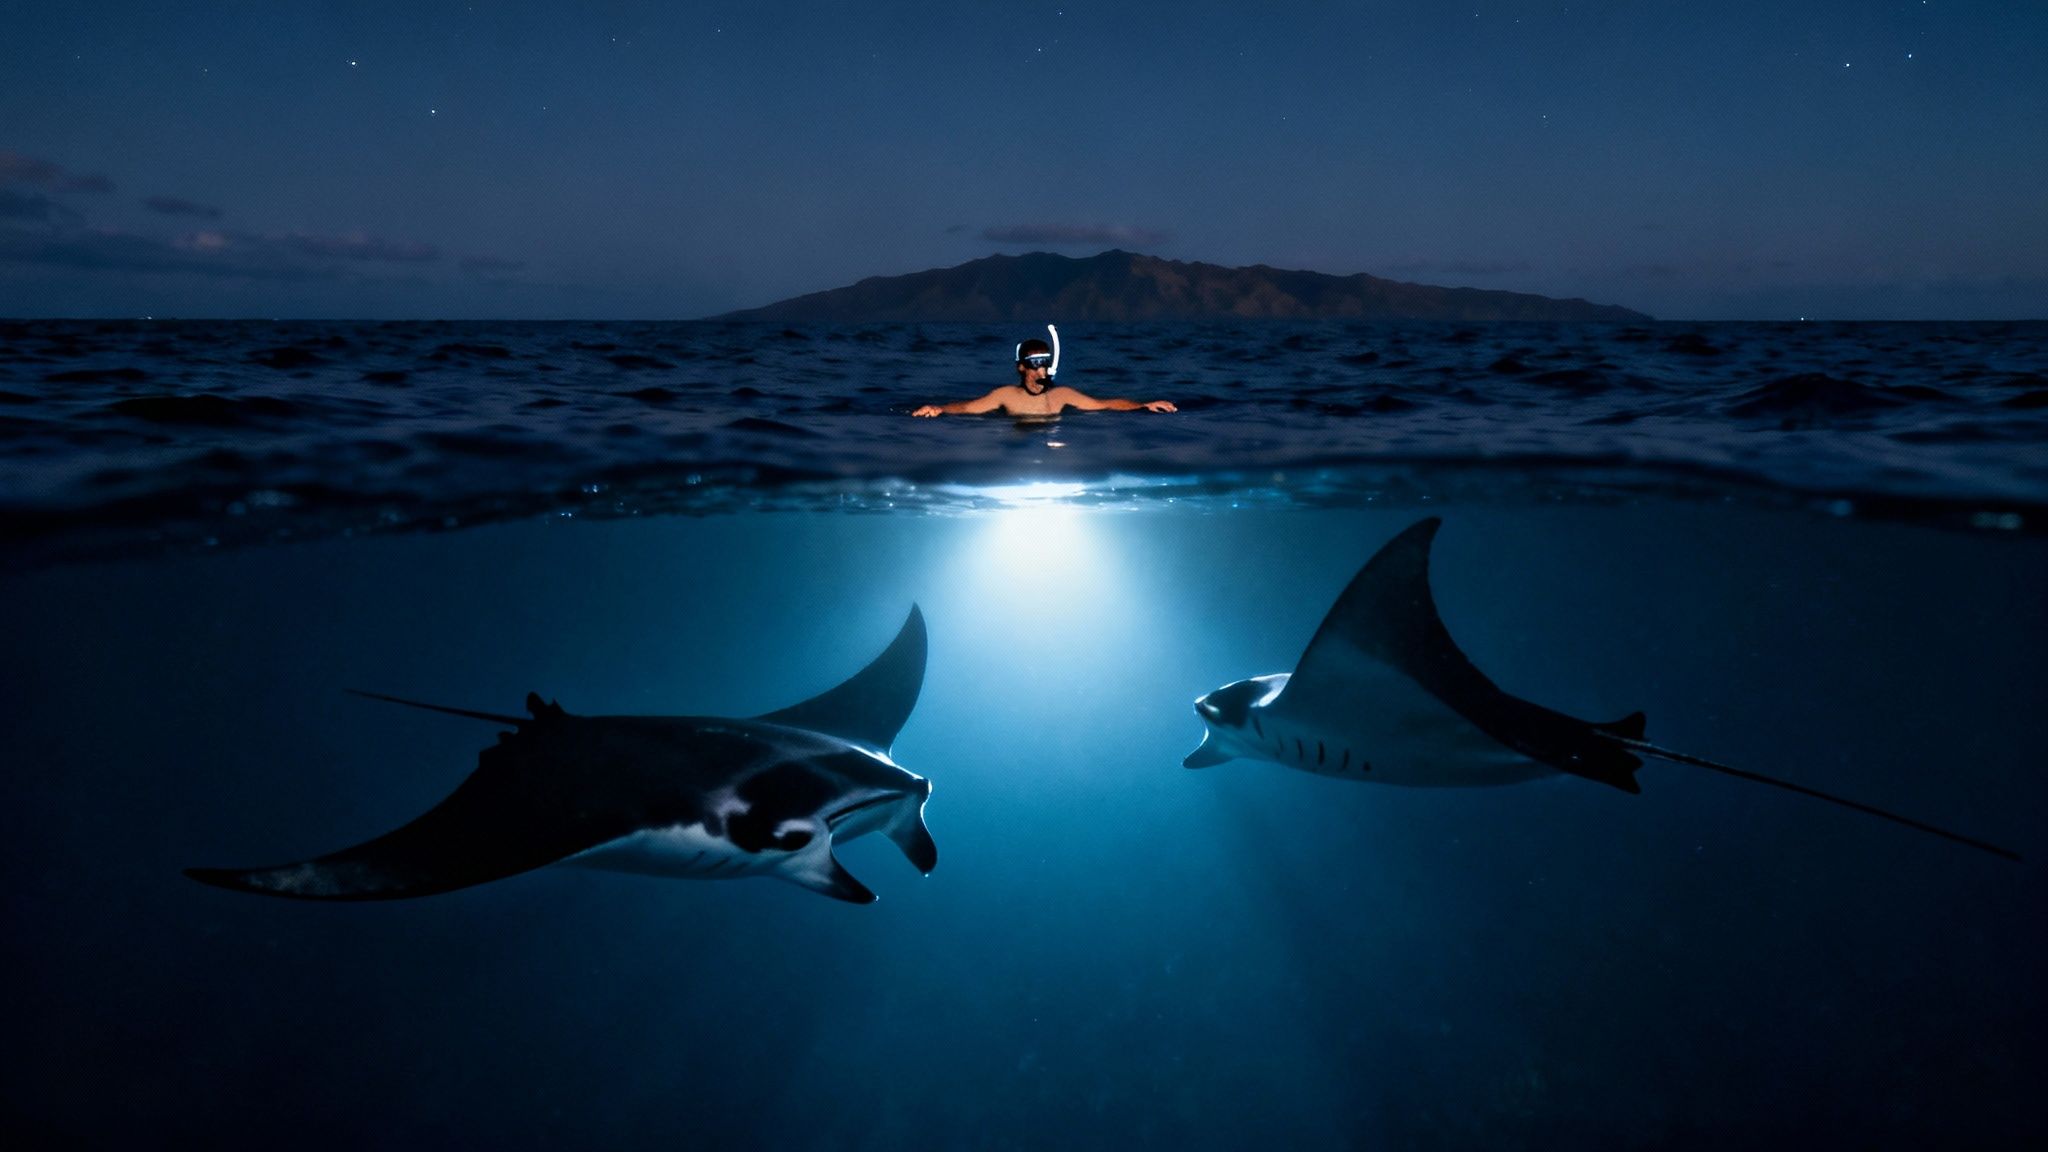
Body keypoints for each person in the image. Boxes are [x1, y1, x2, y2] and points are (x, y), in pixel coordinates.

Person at [911, 338, 1177, 418]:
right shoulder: (1005, 396)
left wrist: (1143, 405)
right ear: (1021, 368)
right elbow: (968, 408)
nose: (1042, 370)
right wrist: (939, 409)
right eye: (1035, 364)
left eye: (1045, 363)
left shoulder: (1063, 395)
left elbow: (1105, 404)